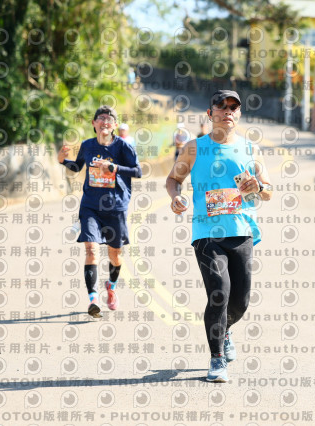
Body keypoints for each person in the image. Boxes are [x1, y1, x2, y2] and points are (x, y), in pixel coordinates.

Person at [166, 90, 273, 383]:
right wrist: (176, 197)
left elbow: (268, 190)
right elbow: (173, 179)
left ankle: (225, 331)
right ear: (210, 113)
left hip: (241, 230)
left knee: (241, 301)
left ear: (239, 114)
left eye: (233, 107)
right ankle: (216, 359)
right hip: (206, 233)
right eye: (221, 106)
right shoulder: (194, 148)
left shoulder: (250, 149)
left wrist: (258, 187)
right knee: (219, 292)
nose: (227, 111)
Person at [58, 105, 142, 318]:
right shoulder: (87, 145)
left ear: (115, 125)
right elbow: (78, 166)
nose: (105, 121)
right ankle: (93, 300)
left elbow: (138, 171)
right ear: (94, 123)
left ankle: (111, 286)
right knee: (91, 250)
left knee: (115, 255)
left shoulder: (123, 147)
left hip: (116, 206)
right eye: (101, 118)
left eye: (109, 119)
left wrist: (115, 168)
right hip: (91, 205)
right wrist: (63, 161)